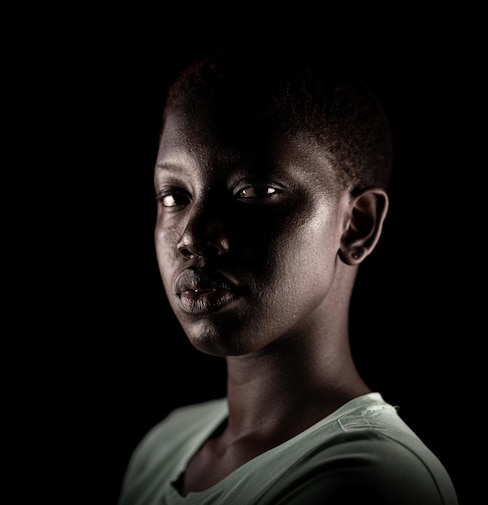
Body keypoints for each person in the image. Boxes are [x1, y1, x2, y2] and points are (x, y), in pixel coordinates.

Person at [118, 43, 459, 505]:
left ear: (356, 225)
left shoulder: (373, 480)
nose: (192, 236)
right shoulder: (166, 446)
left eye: (255, 190)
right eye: (175, 195)